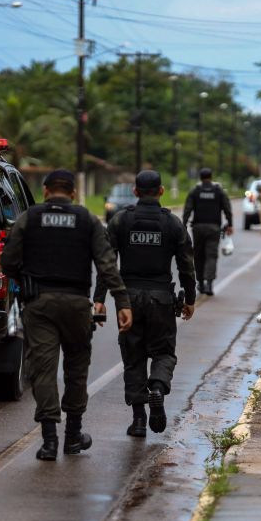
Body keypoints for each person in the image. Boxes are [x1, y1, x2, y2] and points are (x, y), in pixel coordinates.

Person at [0, 169, 133, 461]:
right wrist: (121, 301)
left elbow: (7, 260)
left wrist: (24, 283)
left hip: (40, 305)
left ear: (46, 191)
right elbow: (107, 264)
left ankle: (49, 441)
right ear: (72, 193)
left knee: (43, 370)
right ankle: (73, 437)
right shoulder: (86, 220)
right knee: (76, 368)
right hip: (76, 305)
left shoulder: (29, 218)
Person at [93, 170, 196, 438]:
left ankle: (139, 421)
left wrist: (99, 299)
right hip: (161, 299)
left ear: (135, 192)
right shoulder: (172, 224)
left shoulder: (120, 221)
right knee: (164, 352)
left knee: (133, 356)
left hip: (128, 300)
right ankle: (158, 389)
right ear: (161, 191)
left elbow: (107, 264)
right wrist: (191, 298)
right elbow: (186, 264)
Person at [182, 168, 233, 296]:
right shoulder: (218, 191)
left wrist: (183, 225)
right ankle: (209, 284)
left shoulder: (195, 191)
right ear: (211, 177)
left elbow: (187, 209)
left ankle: (200, 283)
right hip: (214, 228)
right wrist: (230, 223)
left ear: (200, 177)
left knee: (198, 256)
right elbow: (227, 208)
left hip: (198, 228)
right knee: (211, 256)